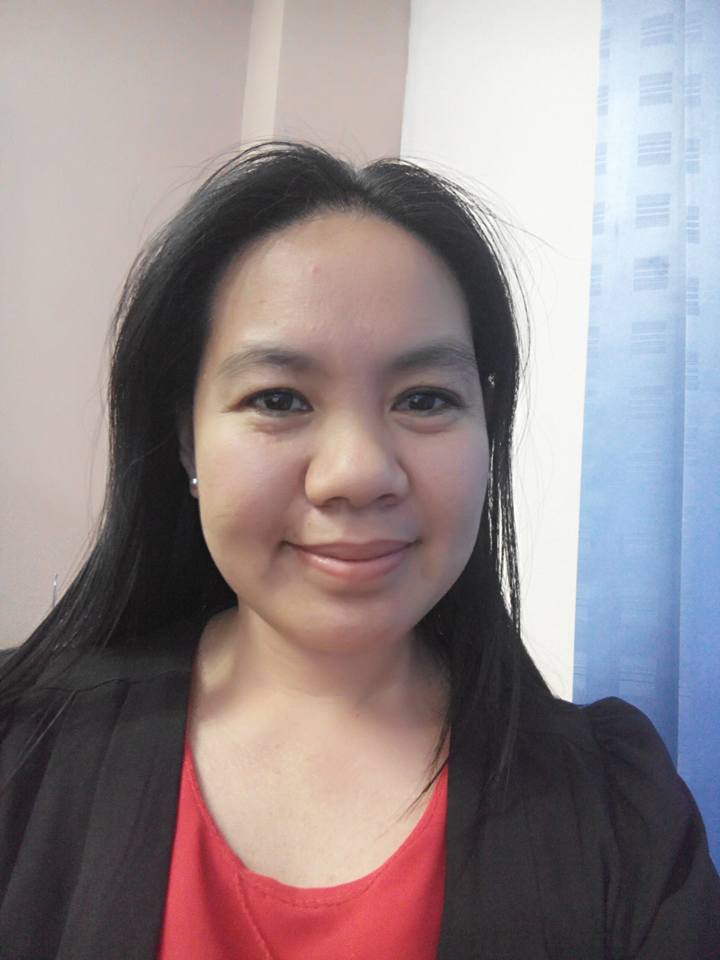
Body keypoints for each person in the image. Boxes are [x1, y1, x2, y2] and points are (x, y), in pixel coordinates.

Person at [0, 141, 718, 960]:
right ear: (187, 439)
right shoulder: (22, 751)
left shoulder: (620, 812)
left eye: (425, 399)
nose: (358, 473)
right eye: (279, 398)